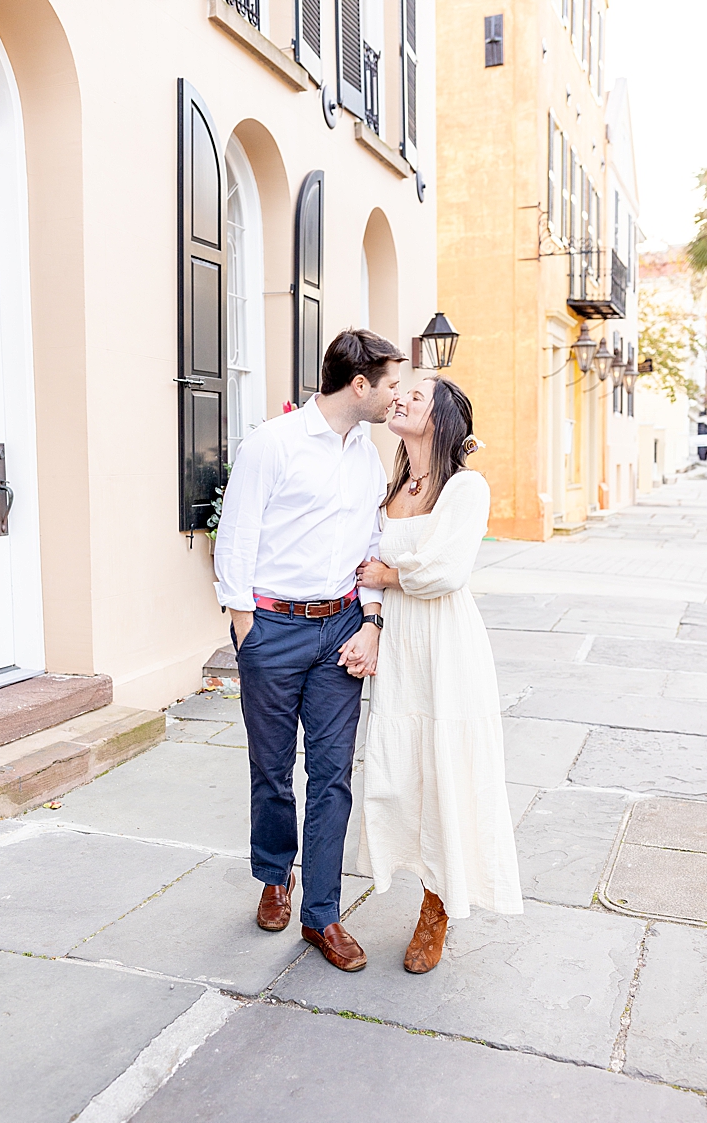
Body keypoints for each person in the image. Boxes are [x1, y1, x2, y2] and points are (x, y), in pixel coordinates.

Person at [213, 328, 405, 972]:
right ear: (360, 384)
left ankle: (322, 915)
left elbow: (371, 547)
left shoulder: (367, 456)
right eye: (389, 383)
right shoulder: (274, 443)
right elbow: (235, 536)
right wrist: (246, 630)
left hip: (340, 631)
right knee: (271, 771)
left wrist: (371, 622)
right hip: (272, 630)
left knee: (332, 777)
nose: (394, 396)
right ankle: (275, 874)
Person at [353, 375, 523, 973]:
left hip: (445, 644)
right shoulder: (392, 485)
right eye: (399, 391)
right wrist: (373, 612)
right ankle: (415, 870)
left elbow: (446, 570)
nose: (399, 397)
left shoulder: (464, 487)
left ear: (441, 418)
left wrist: (388, 577)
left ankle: (438, 907)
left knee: (446, 768)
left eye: (416, 396)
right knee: (403, 770)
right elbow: (363, 561)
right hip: (398, 642)